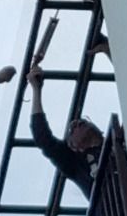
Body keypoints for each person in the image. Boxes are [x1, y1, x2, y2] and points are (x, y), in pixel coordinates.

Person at [27, 36, 110, 198]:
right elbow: (43, 138)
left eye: (82, 122)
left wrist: (108, 52)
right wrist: (36, 90)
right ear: (73, 146)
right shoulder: (75, 163)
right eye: (72, 129)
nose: (77, 122)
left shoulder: (118, 143)